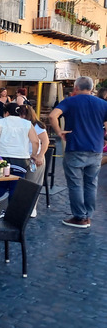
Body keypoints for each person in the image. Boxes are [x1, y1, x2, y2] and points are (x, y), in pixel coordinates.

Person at [48, 76, 107, 228]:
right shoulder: (103, 103)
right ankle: (88, 216)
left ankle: (79, 217)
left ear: (76, 88)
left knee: (75, 184)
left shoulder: (70, 101)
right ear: (91, 88)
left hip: (75, 147)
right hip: (96, 148)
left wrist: (59, 131)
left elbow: (52, 116)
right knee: (91, 183)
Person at [0, 102, 41, 184]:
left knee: (0, 182)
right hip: (21, 158)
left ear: (6, 113)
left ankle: (0, 196)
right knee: (17, 183)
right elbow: (35, 141)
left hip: (1, 156)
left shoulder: (0, 122)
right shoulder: (27, 124)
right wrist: (34, 155)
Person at [21, 106, 49, 218]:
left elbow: (45, 141)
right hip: (24, 156)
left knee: (33, 182)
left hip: (34, 157)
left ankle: (32, 208)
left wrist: (40, 155)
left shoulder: (38, 126)